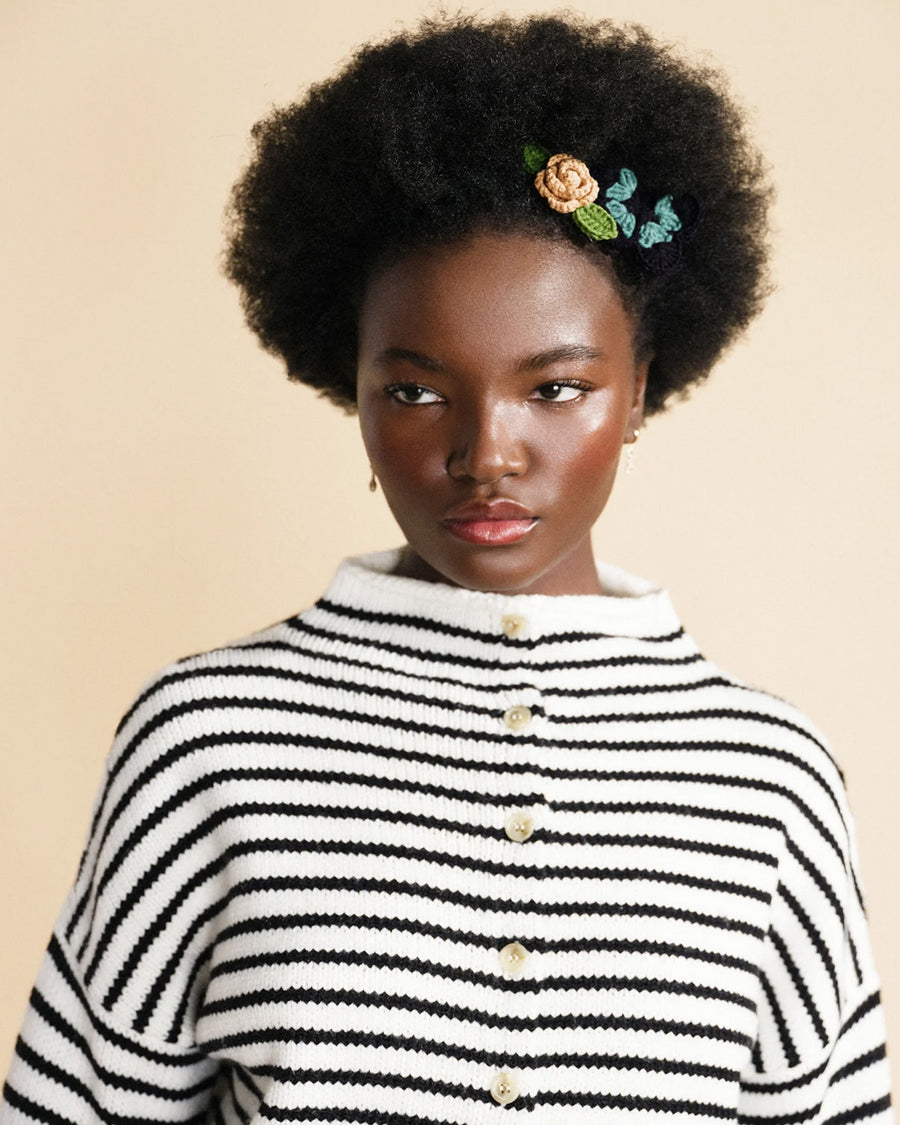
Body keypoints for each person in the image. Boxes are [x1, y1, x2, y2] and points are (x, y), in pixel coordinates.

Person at [2, 12, 892, 1124]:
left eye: (556, 389)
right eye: (417, 391)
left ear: (642, 389)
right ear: (352, 384)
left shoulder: (771, 782)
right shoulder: (202, 742)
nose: (485, 456)